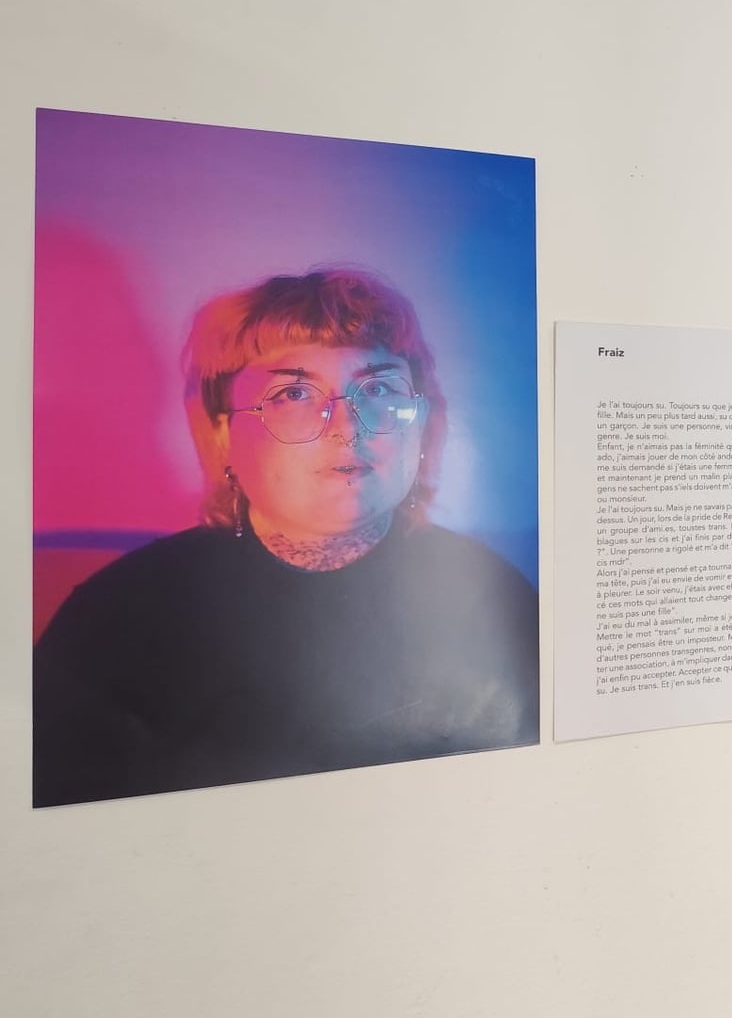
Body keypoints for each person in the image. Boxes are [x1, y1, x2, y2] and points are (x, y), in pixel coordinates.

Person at [33, 267, 538, 806]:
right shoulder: (119, 615)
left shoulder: (494, 597)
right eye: (294, 393)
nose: (347, 428)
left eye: (378, 389)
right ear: (223, 432)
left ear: (421, 423)